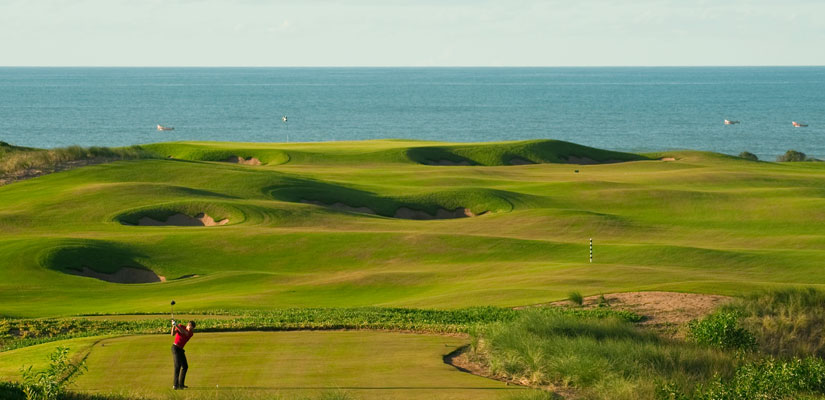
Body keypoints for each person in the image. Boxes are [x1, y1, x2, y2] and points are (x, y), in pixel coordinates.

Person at [171, 320, 195, 390]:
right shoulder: (181, 326)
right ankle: (175, 385)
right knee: (177, 366)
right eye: (190, 327)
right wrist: (173, 326)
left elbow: (184, 332)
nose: (190, 329)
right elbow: (172, 334)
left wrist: (176, 325)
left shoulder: (190, 333)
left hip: (180, 349)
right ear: (188, 325)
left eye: (192, 328)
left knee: (185, 366)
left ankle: (181, 385)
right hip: (175, 348)